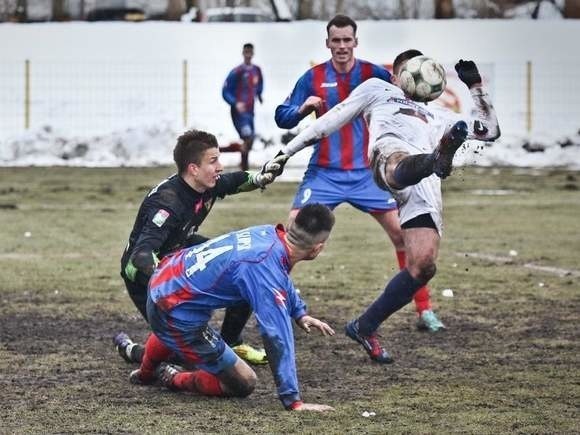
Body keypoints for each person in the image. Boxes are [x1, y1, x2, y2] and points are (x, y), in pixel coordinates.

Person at [262, 50, 500, 363]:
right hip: (390, 159)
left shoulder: (440, 117)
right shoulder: (378, 90)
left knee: (423, 265)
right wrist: (285, 153)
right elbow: (331, 120)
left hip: (424, 187)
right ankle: (435, 159)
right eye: (404, 71)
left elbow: (490, 131)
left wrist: (476, 87)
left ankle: (365, 326)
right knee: (397, 165)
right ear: (396, 76)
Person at [274, 15, 444, 332]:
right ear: (328, 43)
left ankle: (424, 311)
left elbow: (407, 96)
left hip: (369, 175)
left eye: (346, 40)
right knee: (290, 238)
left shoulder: (374, 76)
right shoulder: (312, 77)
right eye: (335, 40)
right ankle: (273, 305)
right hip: (324, 173)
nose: (341, 46)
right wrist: (301, 109)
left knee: (404, 237)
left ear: (355, 41)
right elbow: (281, 117)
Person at [128, 203, 336, 412]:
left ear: (291, 225)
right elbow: (276, 336)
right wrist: (293, 400)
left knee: (189, 321)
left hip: (164, 282)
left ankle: (145, 373)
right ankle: (172, 379)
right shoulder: (264, 267)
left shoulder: (268, 233)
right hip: (172, 309)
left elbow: (278, 277)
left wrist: (299, 312)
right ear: (318, 248)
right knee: (244, 382)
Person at [114, 129, 275, 367]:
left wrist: (260, 178)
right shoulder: (168, 203)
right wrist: (177, 287)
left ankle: (232, 342)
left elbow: (235, 181)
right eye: (213, 161)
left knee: (241, 271)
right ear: (193, 169)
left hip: (182, 252)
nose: (220, 167)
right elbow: (140, 258)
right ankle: (135, 351)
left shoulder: (206, 184)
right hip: (145, 276)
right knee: (190, 357)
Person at [222, 43, 264, 171]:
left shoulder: (256, 70)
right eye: (246, 52)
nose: (248, 55)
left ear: (253, 53)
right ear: (243, 53)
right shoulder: (237, 71)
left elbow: (260, 84)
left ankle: (224, 152)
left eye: (250, 52)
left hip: (251, 111)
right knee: (248, 137)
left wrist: (259, 94)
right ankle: (244, 169)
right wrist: (235, 103)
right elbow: (225, 91)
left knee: (249, 140)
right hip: (239, 113)